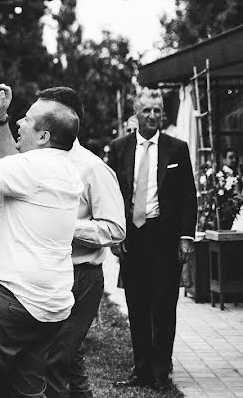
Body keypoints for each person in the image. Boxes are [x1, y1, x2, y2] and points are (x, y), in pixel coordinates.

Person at [0, 82, 83, 398]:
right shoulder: (63, 167)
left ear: (44, 136)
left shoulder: (33, 168)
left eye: (26, 119)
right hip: (52, 305)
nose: (19, 122)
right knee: (26, 389)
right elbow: (12, 163)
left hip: (11, 300)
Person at [38, 88, 126, 398]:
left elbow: (115, 229)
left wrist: (66, 224)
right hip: (45, 275)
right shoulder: (33, 161)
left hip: (80, 277)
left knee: (55, 360)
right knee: (67, 362)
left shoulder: (92, 168)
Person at [109, 89, 197, 391]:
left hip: (164, 235)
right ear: (136, 112)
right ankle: (142, 368)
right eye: (146, 110)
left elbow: (188, 195)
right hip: (133, 237)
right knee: (137, 304)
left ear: (163, 114)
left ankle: (161, 370)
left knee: (163, 305)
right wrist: (114, 233)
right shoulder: (118, 148)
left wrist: (186, 237)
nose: (152, 116)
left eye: (157, 110)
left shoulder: (177, 149)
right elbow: (112, 194)